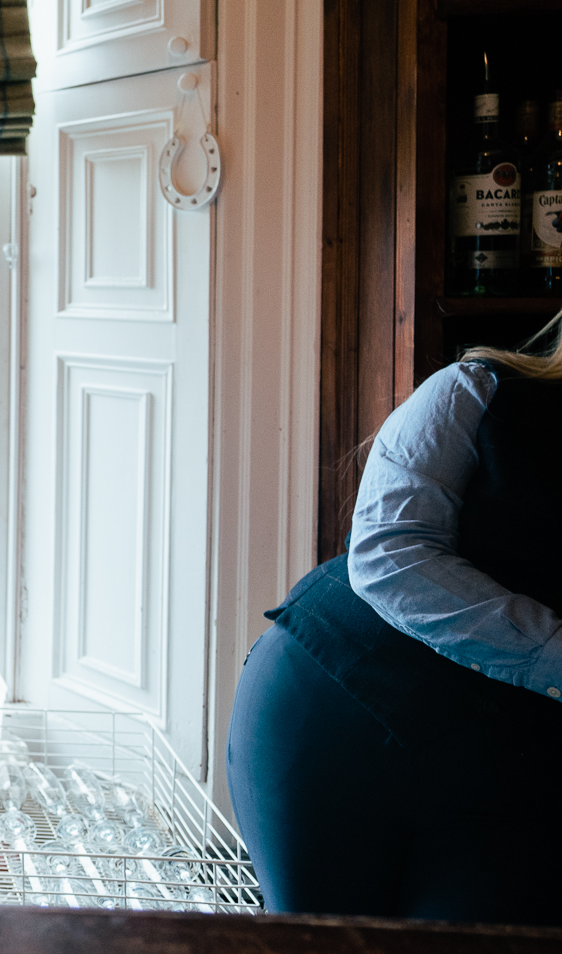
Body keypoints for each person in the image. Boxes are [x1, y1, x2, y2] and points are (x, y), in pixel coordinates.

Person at [226, 324, 562, 925]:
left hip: (514, 775)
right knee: (320, 943)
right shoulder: (477, 389)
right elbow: (392, 556)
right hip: (345, 712)